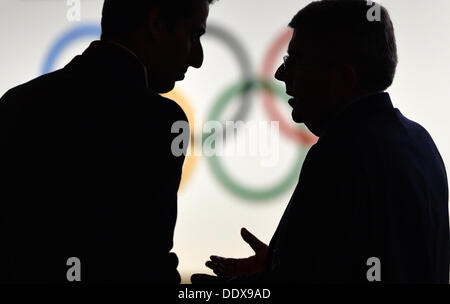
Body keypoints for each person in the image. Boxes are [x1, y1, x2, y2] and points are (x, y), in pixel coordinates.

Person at [192, 0, 449, 284]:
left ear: (342, 78)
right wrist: (285, 260)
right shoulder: (422, 144)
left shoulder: (338, 154)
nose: (280, 74)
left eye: (296, 60)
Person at [0, 0, 214, 283]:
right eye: (193, 35)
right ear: (157, 25)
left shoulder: (15, 103)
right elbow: (146, 261)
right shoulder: (158, 120)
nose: (197, 58)